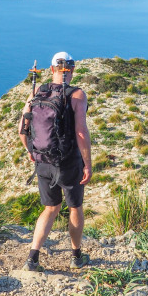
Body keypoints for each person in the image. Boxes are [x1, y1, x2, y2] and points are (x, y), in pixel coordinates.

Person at [18, 51, 92, 271]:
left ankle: (32, 258)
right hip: (68, 162)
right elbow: (81, 132)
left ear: (52, 70)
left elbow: (22, 129)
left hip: (42, 159)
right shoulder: (77, 95)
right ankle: (76, 256)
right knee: (75, 207)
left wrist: (30, 151)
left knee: (50, 208)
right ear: (72, 70)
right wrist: (87, 163)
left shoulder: (37, 93)